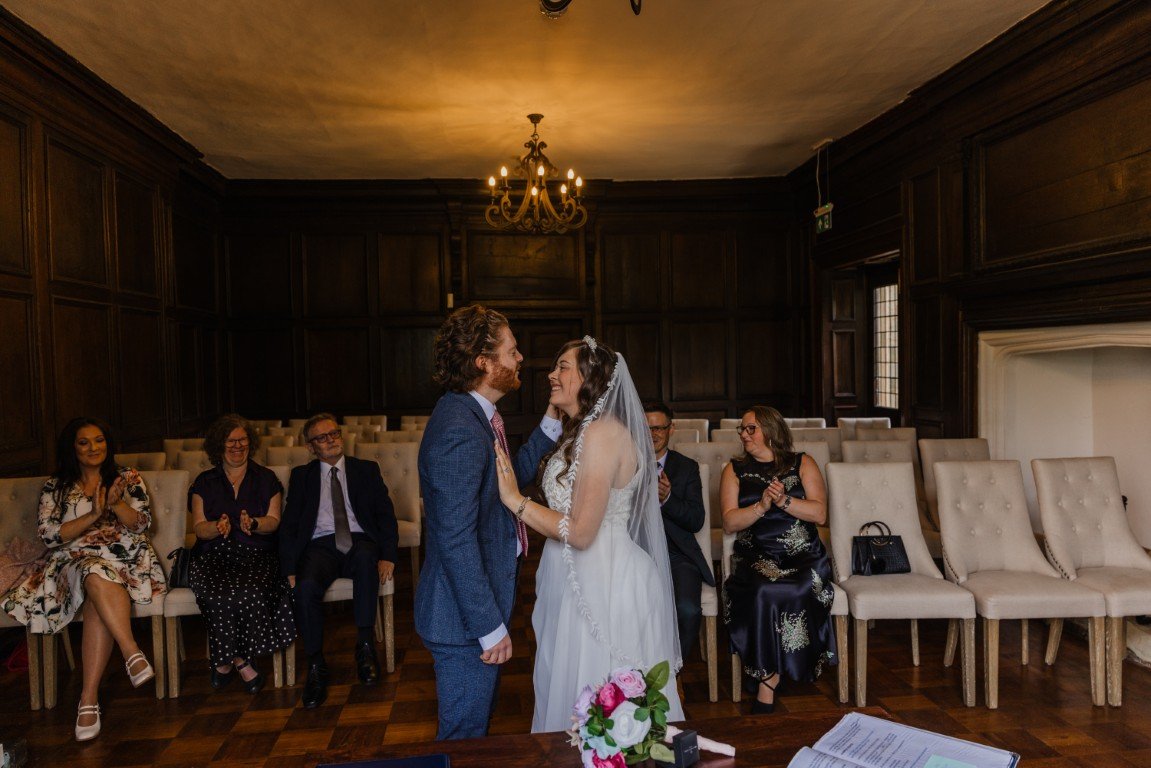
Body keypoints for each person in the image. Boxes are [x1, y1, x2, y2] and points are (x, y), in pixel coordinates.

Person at [495, 337, 685, 733]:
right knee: (570, 686)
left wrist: (515, 501)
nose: (551, 374)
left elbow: (581, 533)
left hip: (606, 583)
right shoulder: (582, 430)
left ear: (590, 378)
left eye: (563, 366)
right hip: (576, 575)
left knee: (602, 699)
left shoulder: (601, 434)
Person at [416, 304, 560, 740]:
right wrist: (489, 628)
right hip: (463, 620)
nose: (521, 359)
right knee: (463, 737)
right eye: (512, 352)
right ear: (483, 361)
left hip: (475, 604)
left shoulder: (471, 414)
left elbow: (502, 484)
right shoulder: (460, 427)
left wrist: (552, 422)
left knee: (475, 731)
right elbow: (455, 538)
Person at [2, 417, 165, 741]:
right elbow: (50, 536)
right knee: (91, 568)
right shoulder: (56, 487)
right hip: (72, 560)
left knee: (97, 582)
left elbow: (142, 524)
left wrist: (115, 504)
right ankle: (130, 649)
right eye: (84, 442)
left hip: (125, 557)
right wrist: (93, 513)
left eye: (99, 440)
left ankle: (88, 698)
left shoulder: (127, 477)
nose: (94, 447)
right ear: (72, 448)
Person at [721, 406, 836, 714]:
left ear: (770, 431)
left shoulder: (803, 463)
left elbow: (820, 514)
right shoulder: (734, 470)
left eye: (751, 429)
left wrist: (784, 501)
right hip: (756, 555)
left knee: (798, 587)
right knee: (762, 590)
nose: (744, 435)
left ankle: (768, 678)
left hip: (804, 556)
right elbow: (730, 522)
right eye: (742, 430)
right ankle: (768, 675)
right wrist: (761, 506)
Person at [279, 413, 399, 709]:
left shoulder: (366, 470)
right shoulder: (302, 477)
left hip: (360, 540)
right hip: (320, 546)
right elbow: (291, 525)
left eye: (334, 434)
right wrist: (289, 568)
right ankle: (317, 665)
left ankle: (365, 647)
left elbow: (385, 516)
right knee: (305, 589)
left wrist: (388, 555)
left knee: (366, 559)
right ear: (310, 446)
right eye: (322, 437)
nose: (330, 440)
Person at [188, 414, 295, 694]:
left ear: (251, 443)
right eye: (230, 441)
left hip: (256, 553)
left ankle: (222, 662)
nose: (237, 446)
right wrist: (216, 527)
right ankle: (239, 660)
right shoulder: (204, 482)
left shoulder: (267, 478)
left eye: (243, 440)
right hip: (214, 554)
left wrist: (255, 524)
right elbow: (199, 529)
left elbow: (274, 521)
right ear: (218, 446)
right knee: (215, 594)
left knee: (250, 592)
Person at [644, 402, 714, 658]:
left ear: (671, 429)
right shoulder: (628, 464)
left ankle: (675, 670)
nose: (652, 434)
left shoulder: (687, 468)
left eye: (658, 428)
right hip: (638, 551)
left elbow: (696, 520)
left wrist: (668, 498)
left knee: (687, 609)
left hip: (678, 554)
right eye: (646, 427)